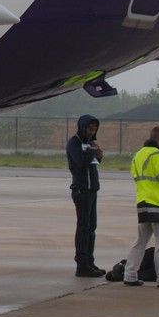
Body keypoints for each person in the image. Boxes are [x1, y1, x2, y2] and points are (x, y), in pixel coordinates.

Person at [121, 125, 159, 289]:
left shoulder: (138, 154)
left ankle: (130, 274)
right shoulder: (158, 154)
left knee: (140, 241)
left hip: (143, 202)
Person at [66, 114, 105, 277]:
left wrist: (99, 154)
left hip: (92, 190)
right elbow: (80, 162)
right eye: (89, 128)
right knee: (83, 228)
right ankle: (81, 265)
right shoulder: (74, 143)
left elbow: (94, 162)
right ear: (83, 127)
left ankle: (89, 261)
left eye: (94, 129)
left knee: (91, 228)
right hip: (81, 191)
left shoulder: (90, 143)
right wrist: (92, 152)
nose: (92, 131)